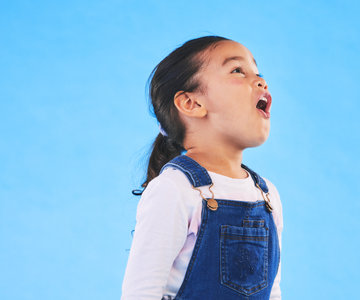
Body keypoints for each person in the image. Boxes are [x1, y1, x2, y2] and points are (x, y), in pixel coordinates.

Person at [121, 35, 283, 300]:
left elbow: (272, 292)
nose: (261, 81)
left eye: (258, 72)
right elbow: (141, 293)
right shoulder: (175, 189)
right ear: (192, 104)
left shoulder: (267, 196)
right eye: (237, 71)